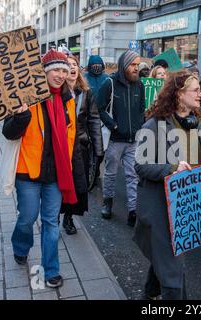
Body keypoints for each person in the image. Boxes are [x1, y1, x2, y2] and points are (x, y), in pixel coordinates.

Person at [134, 71, 201, 299]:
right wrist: (171, 168)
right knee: (173, 273)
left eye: (200, 89)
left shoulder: (197, 124)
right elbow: (141, 166)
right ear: (179, 94)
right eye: (195, 90)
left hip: (185, 205)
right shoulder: (154, 125)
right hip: (160, 208)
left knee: (168, 260)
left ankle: (150, 295)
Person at [1, 49, 81, 288]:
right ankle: (21, 246)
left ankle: (51, 270)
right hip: (28, 171)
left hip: (56, 174)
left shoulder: (68, 100)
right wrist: (21, 116)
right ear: (44, 72)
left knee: (51, 222)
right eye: (56, 70)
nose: (60, 75)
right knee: (27, 217)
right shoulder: (26, 96)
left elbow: (71, 136)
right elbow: (9, 132)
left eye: (65, 71)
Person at [96, 50, 145, 226]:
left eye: (138, 65)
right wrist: (113, 125)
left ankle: (133, 210)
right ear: (124, 65)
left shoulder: (140, 85)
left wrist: (140, 126)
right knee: (110, 174)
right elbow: (99, 108)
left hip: (133, 141)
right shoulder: (109, 83)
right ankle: (107, 202)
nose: (136, 68)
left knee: (133, 175)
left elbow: (141, 109)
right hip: (115, 140)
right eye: (133, 65)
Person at [60, 55, 103, 235]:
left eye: (75, 65)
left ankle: (69, 217)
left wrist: (99, 149)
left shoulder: (86, 92)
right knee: (59, 183)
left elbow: (93, 119)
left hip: (80, 146)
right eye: (68, 65)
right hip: (61, 145)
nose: (72, 68)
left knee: (78, 184)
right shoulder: (56, 92)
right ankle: (53, 216)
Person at [84, 55, 109, 183]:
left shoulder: (107, 79)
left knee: (101, 146)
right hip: (87, 117)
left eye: (99, 65)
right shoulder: (84, 79)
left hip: (102, 118)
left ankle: (96, 167)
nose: (96, 68)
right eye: (94, 65)